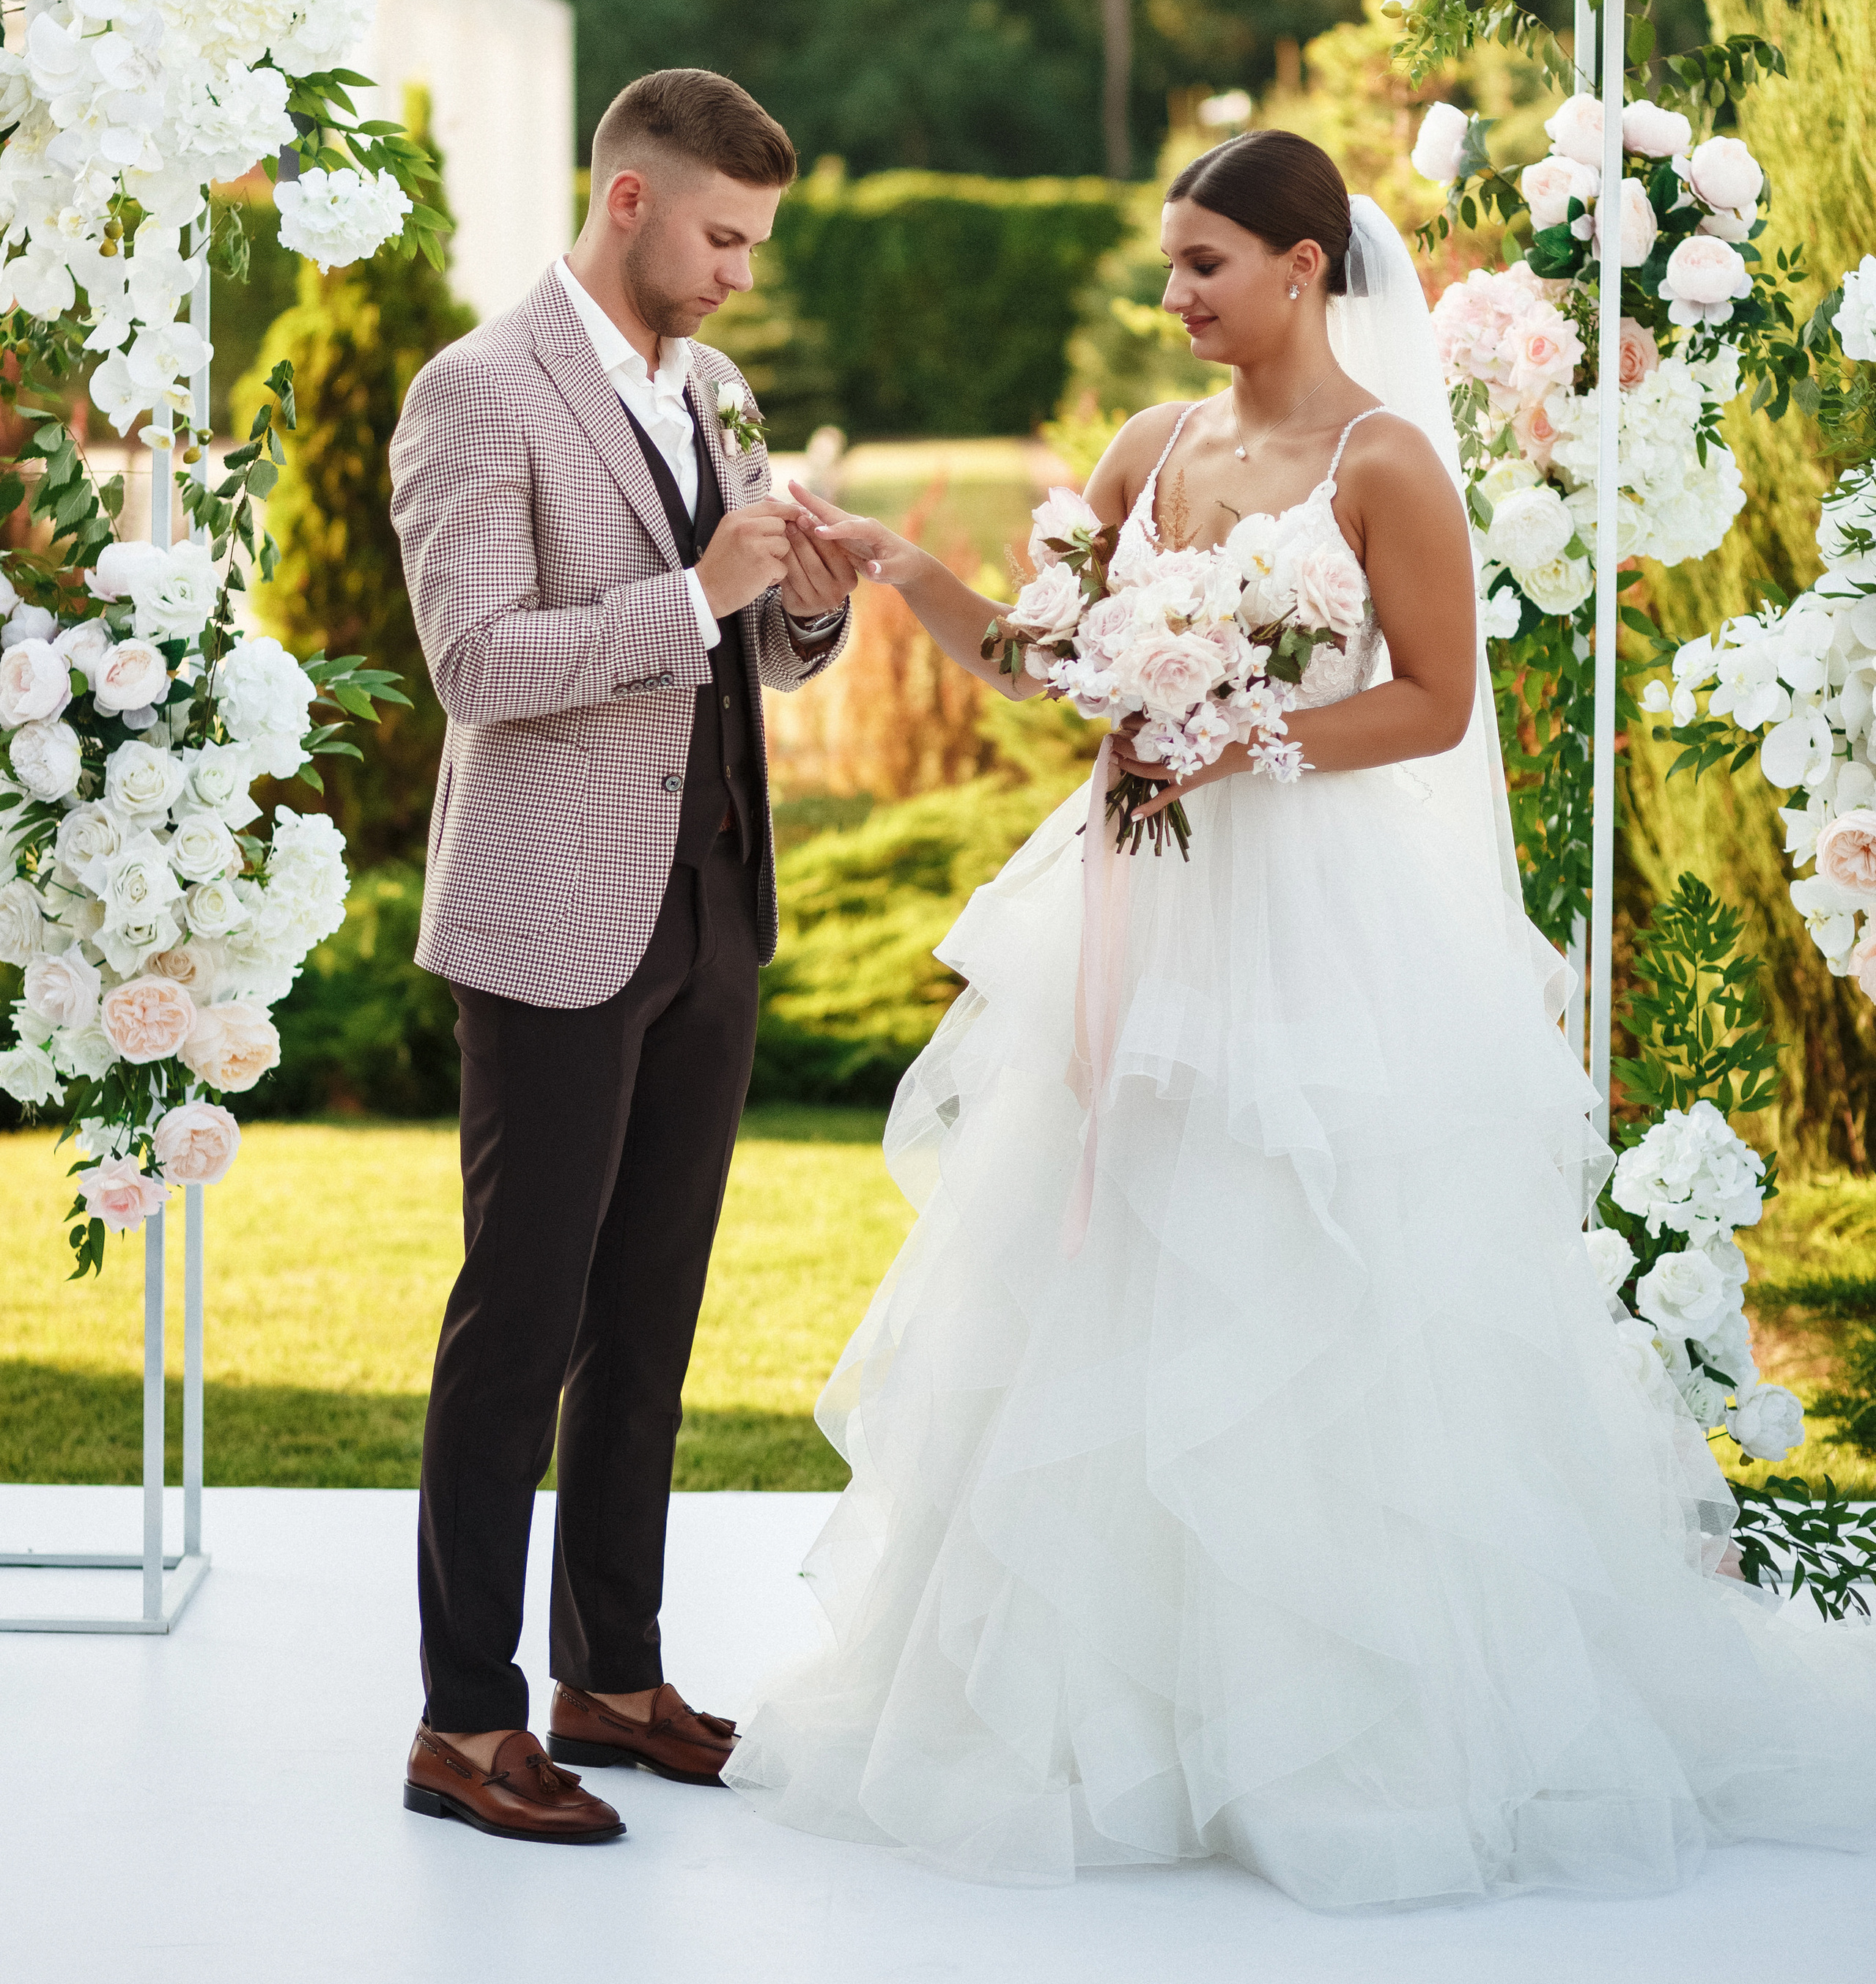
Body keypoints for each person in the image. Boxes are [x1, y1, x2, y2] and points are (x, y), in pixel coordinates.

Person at [723, 130, 1876, 1905]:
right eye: (1167, 262)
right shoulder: (1145, 449)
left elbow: (1431, 704)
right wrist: (892, 565)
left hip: (1311, 920)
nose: (1172, 295)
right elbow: (1046, 664)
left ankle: (1332, 1726)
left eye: (1202, 263)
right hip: (1139, 906)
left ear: (1302, 265)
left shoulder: (1382, 460)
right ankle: (1116, 1714)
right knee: (1102, 1266)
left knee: (1303, 1263)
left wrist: (1238, 734)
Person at [388, 67, 854, 1845]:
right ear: (629, 200)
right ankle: (461, 1721)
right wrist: (698, 595)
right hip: (547, 913)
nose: (742, 273)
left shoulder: (710, 388)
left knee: (648, 1315)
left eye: (759, 243)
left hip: (712, 904)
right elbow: (474, 666)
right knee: (520, 1320)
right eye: (724, 238)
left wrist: (802, 600)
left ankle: (611, 1674)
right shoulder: (476, 390)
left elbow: (753, 650)